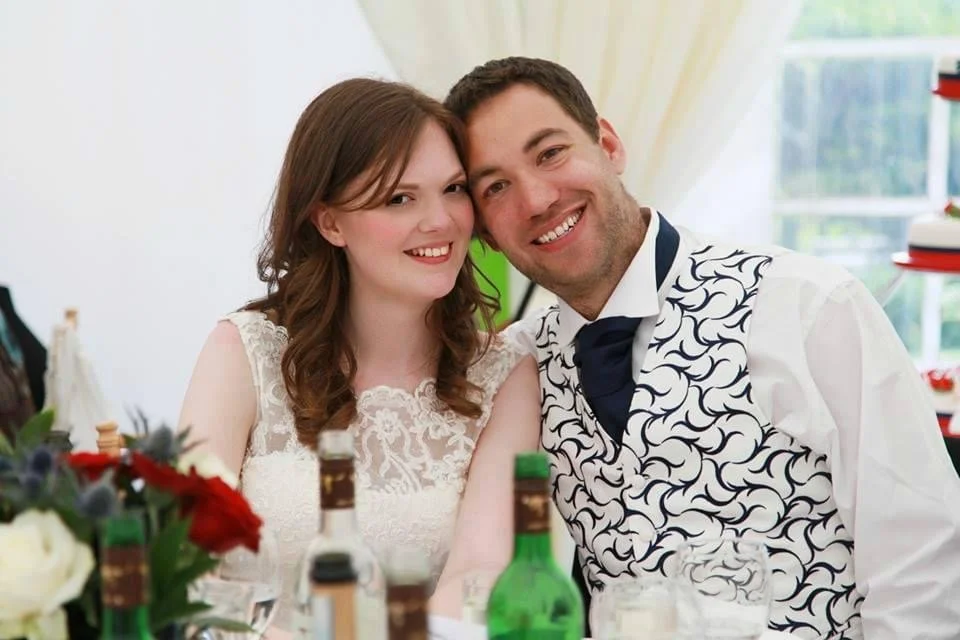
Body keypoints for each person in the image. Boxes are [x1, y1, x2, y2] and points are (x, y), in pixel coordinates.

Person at [442, 56, 960, 638]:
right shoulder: (518, 367)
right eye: (497, 186)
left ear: (608, 145)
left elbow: (921, 566)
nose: (536, 199)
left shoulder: (808, 305)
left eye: (550, 153)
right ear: (483, 226)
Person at [177, 78, 541, 633]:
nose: (441, 221)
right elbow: (190, 560)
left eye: (453, 188)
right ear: (329, 222)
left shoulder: (505, 372)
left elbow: (479, 571)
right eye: (400, 198)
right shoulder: (242, 352)